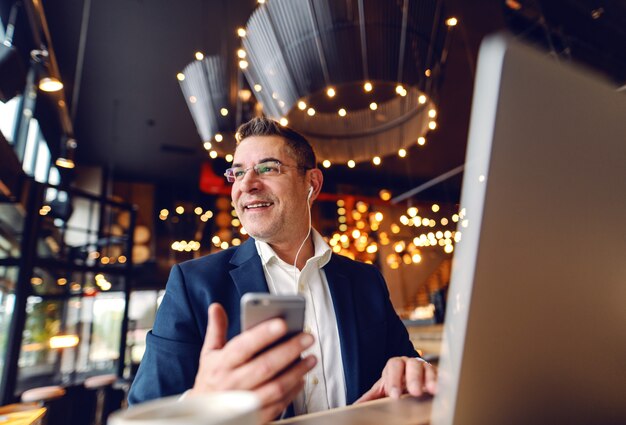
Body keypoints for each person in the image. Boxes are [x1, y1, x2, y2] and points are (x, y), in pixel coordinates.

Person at [128, 117, 437, 423]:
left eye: (268, 168)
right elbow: (142, 413)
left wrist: (414, 369)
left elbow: (405, 362)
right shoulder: (193, 283)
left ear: (312, 184)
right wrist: (202, 403)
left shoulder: (366, 280)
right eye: (237, 173)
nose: (246, 184)